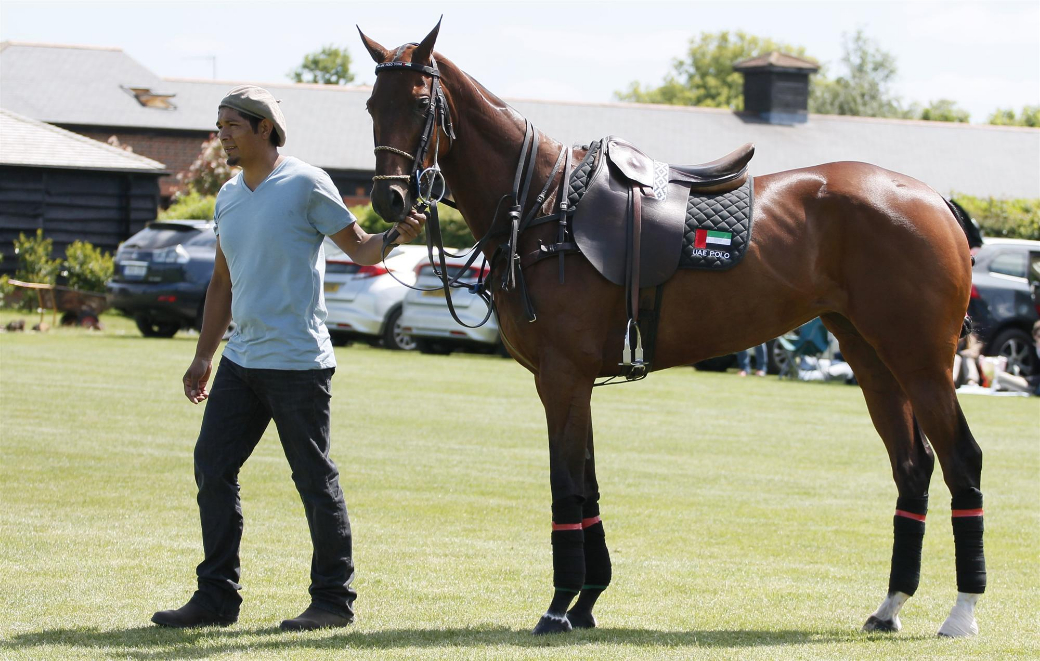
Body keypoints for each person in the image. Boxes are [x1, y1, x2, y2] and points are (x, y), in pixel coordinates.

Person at [151, 85, 425, 631]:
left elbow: (361, 248)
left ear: (263, 128)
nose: (221, 133)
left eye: (231, 124)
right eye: (219, 124)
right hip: (241, 360)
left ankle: (331, 601)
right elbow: (221, 284)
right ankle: (216, 598)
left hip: (298, 363)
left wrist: (396, 234)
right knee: (213, 467)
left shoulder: (306, 183)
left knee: (314, 481)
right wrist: (204, 356)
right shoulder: (227, 195)